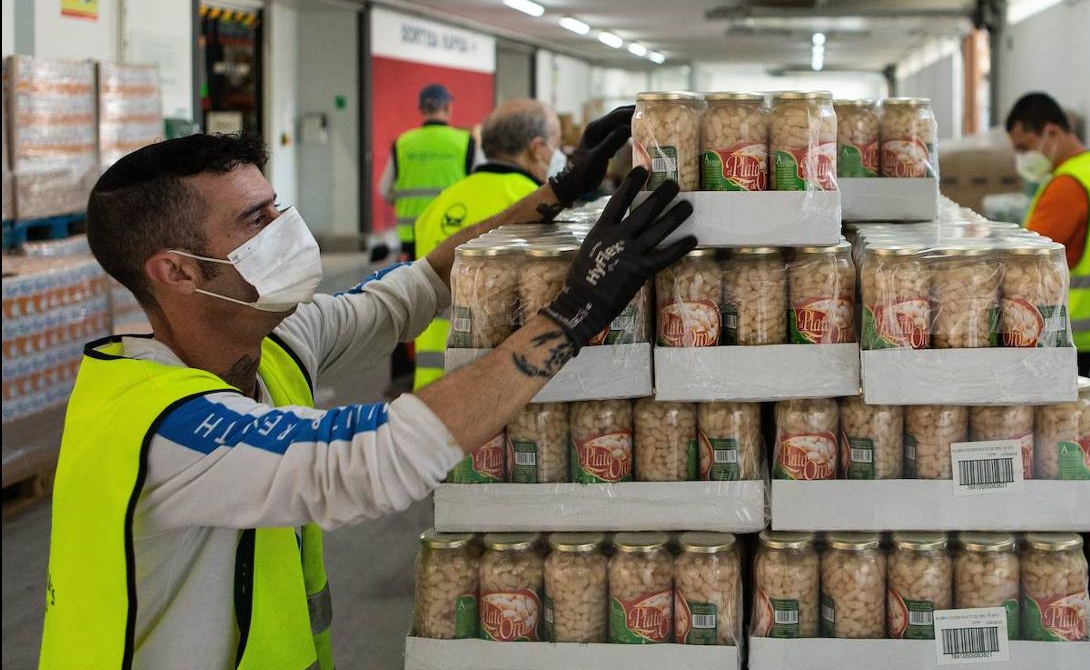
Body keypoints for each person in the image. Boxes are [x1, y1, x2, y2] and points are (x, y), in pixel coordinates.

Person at [38, 107, 693, 670]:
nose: (284, 227)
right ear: (177, 271)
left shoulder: (273, 345)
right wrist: (574, 315)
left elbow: (417, 286)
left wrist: (552, 194)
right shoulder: (164, 426)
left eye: (275, 205)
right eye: (254, 218)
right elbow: (373, 459)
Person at [411, 99, 562, 387]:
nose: (557, 154)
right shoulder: (538, 205)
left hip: (430, 383)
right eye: (556, 144)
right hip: (495, 386)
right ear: (537, 148)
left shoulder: (439, 202)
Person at [1006, 92, 1090, 375]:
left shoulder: (1067, 185)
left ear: (1051, 132)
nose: (1022, 159)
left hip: (1068, 326)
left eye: (1024, 148)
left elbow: (1028, 263)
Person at [377, 84, 475, 259]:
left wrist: (404, 203)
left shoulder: (402, 143)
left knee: (414, 284)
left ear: (421, 109)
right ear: (448, 107)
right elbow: (479, 185)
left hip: (412, 236)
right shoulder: (466, 142)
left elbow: (384, 189)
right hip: (452, 233)